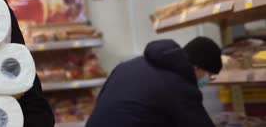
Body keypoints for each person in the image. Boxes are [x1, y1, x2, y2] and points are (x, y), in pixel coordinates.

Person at [86, 36, 222, 127]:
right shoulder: (180, 85)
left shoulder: (128, 66)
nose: (207, 81)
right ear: (197, 67)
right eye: (209, 76)